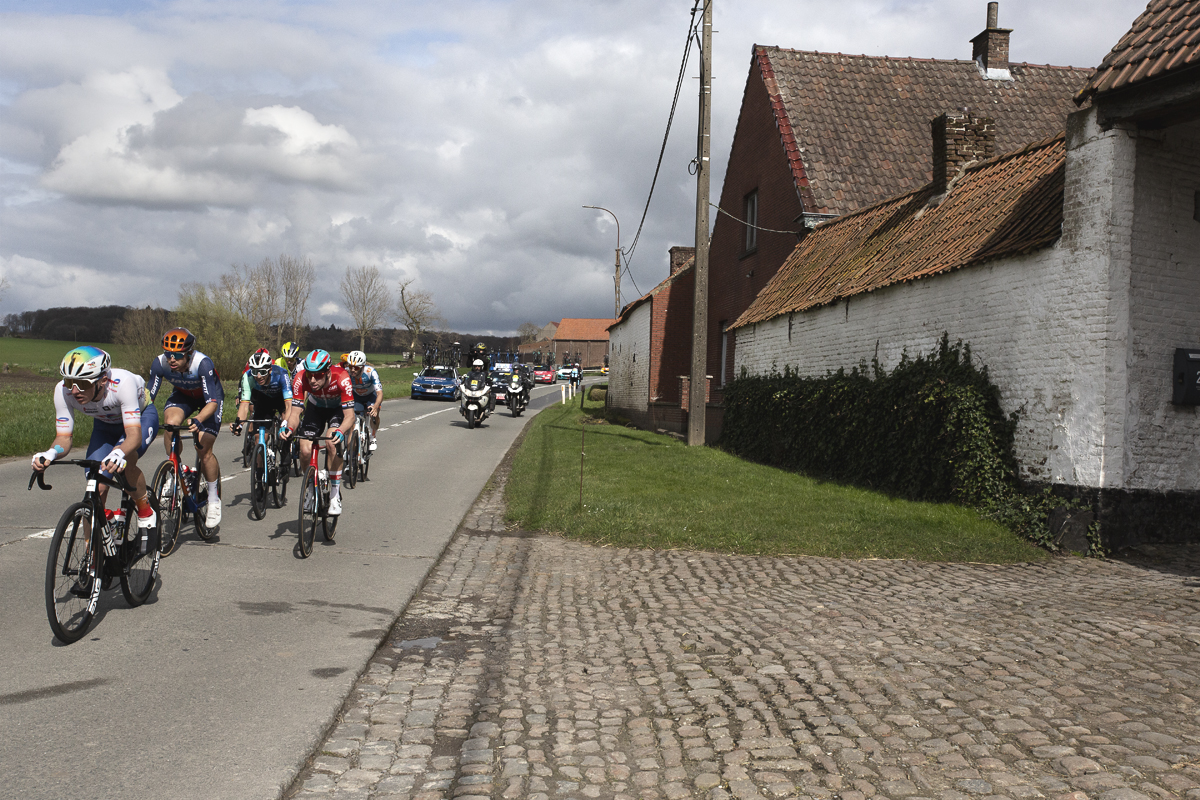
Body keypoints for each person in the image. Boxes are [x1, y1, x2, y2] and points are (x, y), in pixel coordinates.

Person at [32, 346, 159, 536]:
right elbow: (64, 438)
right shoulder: (62, 390)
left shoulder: (123, 383)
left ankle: (145, 509)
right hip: (105, 426)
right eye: (69, 382)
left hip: (139, 419)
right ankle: (91, 558)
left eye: (82, 384)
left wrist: (118, 453)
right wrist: (50, 453)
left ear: (103, 380)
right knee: (96, 487)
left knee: (126, 462)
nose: (74, 391)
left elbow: (133, 435)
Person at [149, 327, 224, 527]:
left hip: (209, 399)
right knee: (170, 424)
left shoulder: (203, 363)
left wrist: (199, 419)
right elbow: (147, 398)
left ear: (189, 354)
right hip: (183, 395)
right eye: (168, 354)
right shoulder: (159, 363)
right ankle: (174, 469)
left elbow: (212, 403)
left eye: (177, 355)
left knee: (203, 446)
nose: (171, 359)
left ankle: (213, 498)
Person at [281, 349, 355, 516]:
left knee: (331, 442)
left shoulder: (342, 377)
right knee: (305, 449)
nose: (312, 380)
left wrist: (341, 431)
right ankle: (309, 488)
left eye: (318, 375)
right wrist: (290, 428)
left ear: (327, 372)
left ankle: (335, 494)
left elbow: (350, 416)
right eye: (309, 375)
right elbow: (295, 413)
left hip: (337, 410)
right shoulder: (300, 379)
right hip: (316, 409)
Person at [229, 349, 294, 469]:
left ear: (269, 370)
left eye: (262, 372)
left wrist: (285, 424)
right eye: (255, 372)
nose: (258, 376)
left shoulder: (281, 374)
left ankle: (285, 450)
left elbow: (289, 405)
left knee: (286, 419)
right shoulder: (248, 376)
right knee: (259, 438)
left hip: (281, 399)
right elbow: (244, 405)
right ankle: (259, 474)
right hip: (264, 400)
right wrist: (239, 424)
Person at [345, 350, 383, 451]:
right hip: (356, 396)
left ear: (362, 366)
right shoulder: (346, 372)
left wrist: (375, 406)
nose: (352, 370)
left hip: (371, 395)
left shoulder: (371, 372)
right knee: (351, 416)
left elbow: (379, 393)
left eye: (356, 367)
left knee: (374, 414)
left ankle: (373, 437)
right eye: (350, 366)